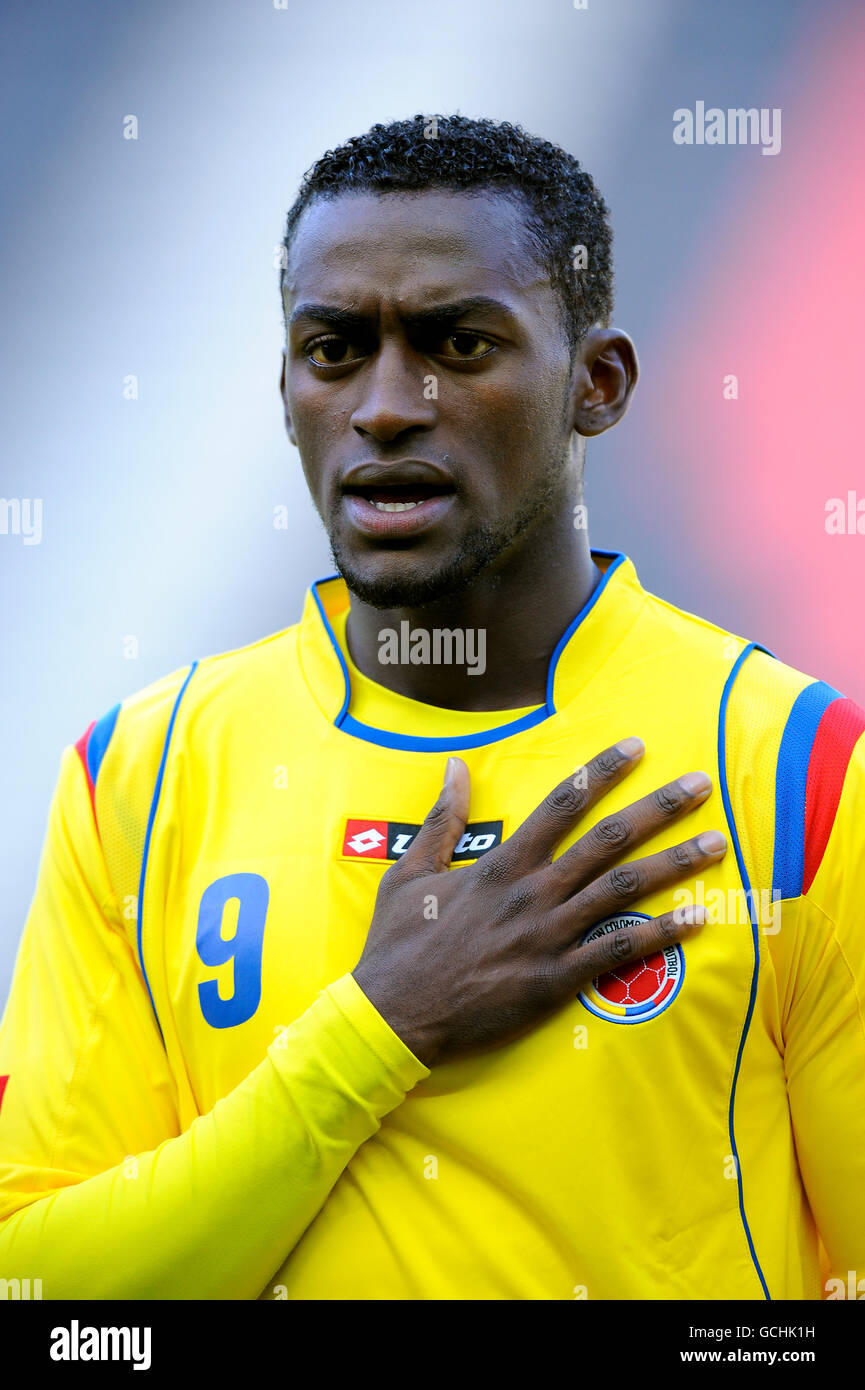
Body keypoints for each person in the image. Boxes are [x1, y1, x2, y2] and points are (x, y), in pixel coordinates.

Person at [1, 115, 862, 1301]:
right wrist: (379, 1028)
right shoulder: (138, 775)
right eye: (335, 349)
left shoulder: (801, 771)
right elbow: (45, 1297)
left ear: (595, 385)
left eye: (458, 345)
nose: (387, 405)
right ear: (288, 388)